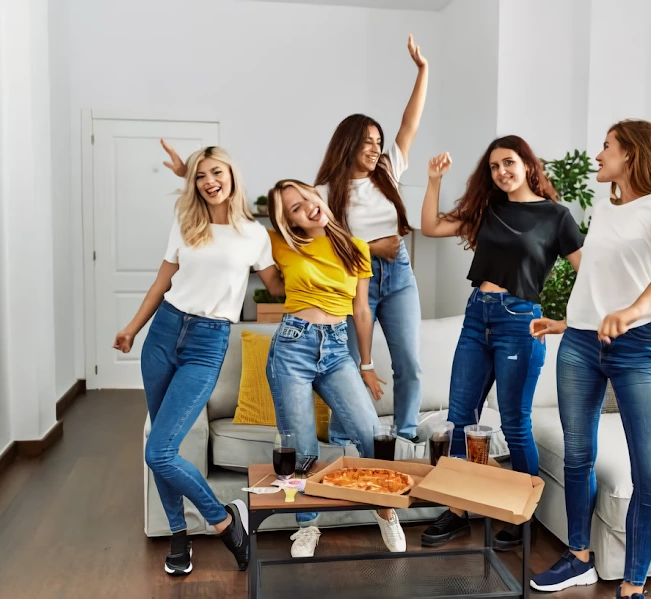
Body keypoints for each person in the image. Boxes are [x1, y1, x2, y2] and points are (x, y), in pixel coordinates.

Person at [528, 120, 651, 599]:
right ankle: (580, 557)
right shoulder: (606, 209)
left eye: (607, 146)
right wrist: (566, 322)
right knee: (577, 455)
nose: (599, 153)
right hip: (581, 344)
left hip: (637, 344)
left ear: (633, 153)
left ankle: (632, 586)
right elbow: (596, 283)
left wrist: (634, 310)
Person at [113, 146, 284, 577]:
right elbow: (162, 281)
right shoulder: (186, 221)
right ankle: (178, 534)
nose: (210, 181)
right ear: (194, 184)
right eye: (201, 175)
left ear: (231, 175)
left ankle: (225, 521)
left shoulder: (254, 234)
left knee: (160, 451)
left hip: (208, 343)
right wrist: (133, 328)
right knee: (162, 450)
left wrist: (318, 245)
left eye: (216, 172)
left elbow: (279, 288)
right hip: (164, 333)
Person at [418, 136, 583, 550]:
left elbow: (592, 273)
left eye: (508, 163)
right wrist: (434, 181)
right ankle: (458, 512)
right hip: (477, 315)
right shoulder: (488, 209)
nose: (501, 172)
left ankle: (519, 515)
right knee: (460, 416)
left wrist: (569, 322)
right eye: (493, 167)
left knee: (514, 422)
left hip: (520, 321)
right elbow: (432, 227)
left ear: (527, 164)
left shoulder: (556, 217)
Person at [265, 179, 406, 557]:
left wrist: (367, 363)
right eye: (295, 208)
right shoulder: (279, 242)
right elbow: (238, 235)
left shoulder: (355, 247)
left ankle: (385, 508)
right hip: (293, 346)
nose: (307, 206)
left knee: (371, 432)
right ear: (289, 222)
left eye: (307, 197)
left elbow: (362, 310)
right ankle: (307, 526)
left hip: (337, 348)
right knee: (303, 447)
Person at [314, 34, 429, 443]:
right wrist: (372, 247)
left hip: (398, 277)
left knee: (409, 363)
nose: (376, 148)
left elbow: (410, 123)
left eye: (378, 142)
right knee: (347, 364)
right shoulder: (328, 190)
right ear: (348, 144)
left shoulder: (388, 170)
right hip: (353, 282)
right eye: (367, 142)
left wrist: (423, 71)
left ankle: (407, 435)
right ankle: (347, 437)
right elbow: (324, 246)